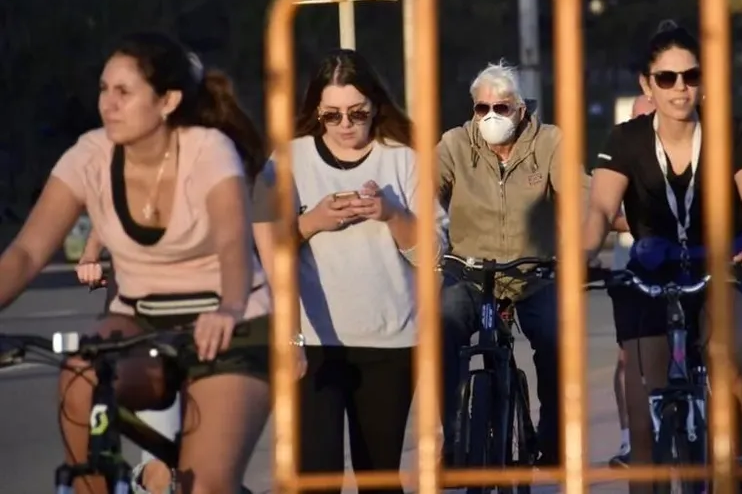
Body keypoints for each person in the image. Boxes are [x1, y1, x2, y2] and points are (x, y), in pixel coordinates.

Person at [0, 31, 272, 494]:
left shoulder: (207, 150)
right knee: (82, 379)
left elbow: (231, 242)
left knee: (202, 485)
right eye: (104, 89)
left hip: (232, 322)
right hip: (141, 318)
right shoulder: (90, 155)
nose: (108, 103)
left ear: (167, 101)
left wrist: (227, 308)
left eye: (124, 92)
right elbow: (25, 253)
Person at [583, 21, 742, 494]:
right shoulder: (624, 140)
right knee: (643, 420)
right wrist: (583, 253)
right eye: (667, 78)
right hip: (650, 270)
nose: (681, 88)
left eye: (692, 76)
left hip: (725, 265)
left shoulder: (736, 132)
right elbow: (600, 207)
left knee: (724, 351)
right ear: (647, 84)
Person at [73, 68, 300, 492]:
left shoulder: (250, 175)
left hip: (227, 338)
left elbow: (274, 263)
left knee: (205, 478)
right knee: (158, 469)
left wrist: (292, 340)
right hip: (146, 333)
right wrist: (90, 254)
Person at [285, 49, 446, 494]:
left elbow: (433, 255)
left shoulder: (405, 160)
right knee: (315, 478)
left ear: (376, 105)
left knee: (377, 477)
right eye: (331, 115)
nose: (345, 125)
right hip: (312, 341)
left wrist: (393, 213)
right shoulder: (285, 160)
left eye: (357, 113)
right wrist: (311, 221)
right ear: (316, 112)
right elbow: (259, 247)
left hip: (389, 340)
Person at [438, 61, 601, 466]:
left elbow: (581, 197)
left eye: (502, 108)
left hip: (534, 273)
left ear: (521, 109)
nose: (491, 116)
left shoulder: (550, 142)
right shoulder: (455, 144)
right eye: (482, 109)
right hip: (469, 272)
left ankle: (553, 435)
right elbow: (425, 190)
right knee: (441, 328)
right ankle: (454, 436)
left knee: (555, 341)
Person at [608, 94, 656, 469]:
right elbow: (605, 213)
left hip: (683, 261)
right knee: (628, 358)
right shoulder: (621, 153)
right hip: (632, 263)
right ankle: (630, 442)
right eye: (639, 118)